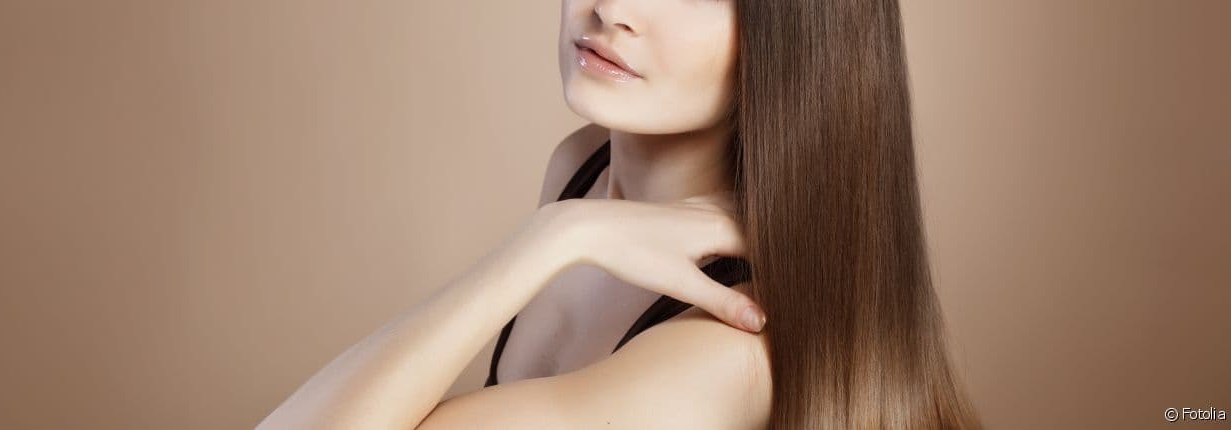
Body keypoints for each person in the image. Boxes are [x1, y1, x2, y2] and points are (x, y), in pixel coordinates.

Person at [260, 0, 981, 428]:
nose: (612, 8)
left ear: (798, 48)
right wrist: (564, 229)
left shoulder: (726, 351)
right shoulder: (581, 168)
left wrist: (557, 237)